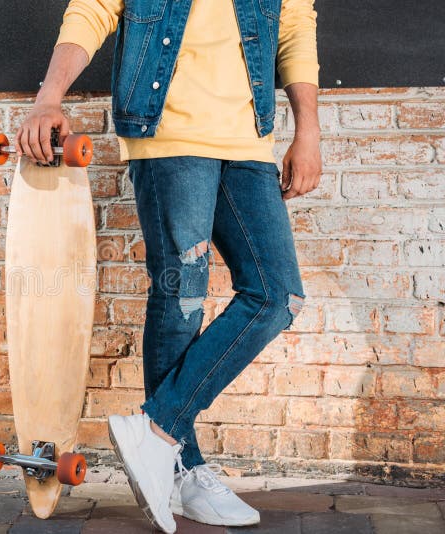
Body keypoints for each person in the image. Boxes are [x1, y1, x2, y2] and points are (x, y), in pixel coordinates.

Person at [16, 0, 321, 532]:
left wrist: (309, 131)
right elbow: (93, 8)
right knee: (183, 300)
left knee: (277, 295)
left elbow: (295, 24)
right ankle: (182, 467)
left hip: (249, 138)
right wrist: (49, 97)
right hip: (168, 133)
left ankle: (157, 431)